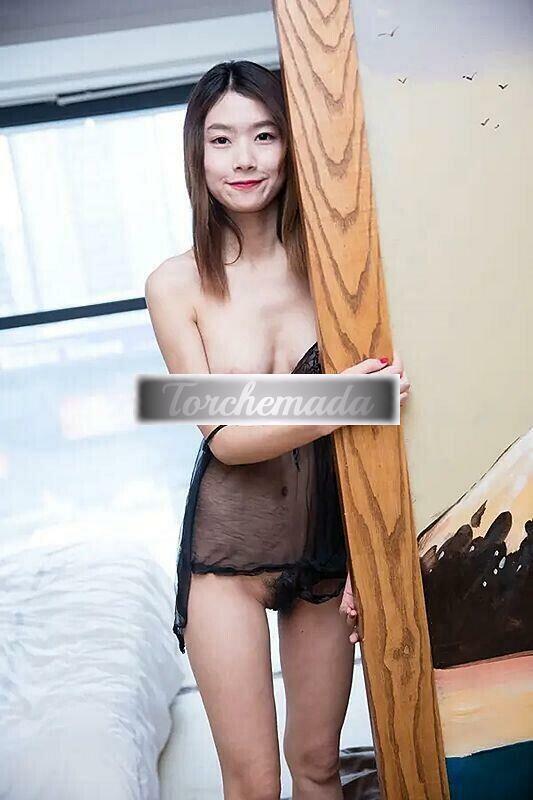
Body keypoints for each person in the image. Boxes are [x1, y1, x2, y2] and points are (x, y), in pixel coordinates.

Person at [145, 60, 411, 800]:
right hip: (226, 559)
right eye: (221, 139)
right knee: (254, 781)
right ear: (198, 155)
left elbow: (385, 424)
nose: (245, 158)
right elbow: (224, 437)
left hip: (327, 547)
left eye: (264, 135)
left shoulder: (339, 270)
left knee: (318, 768)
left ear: (291, 146)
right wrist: (351, 398)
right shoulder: (173, 284)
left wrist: (370, 553)